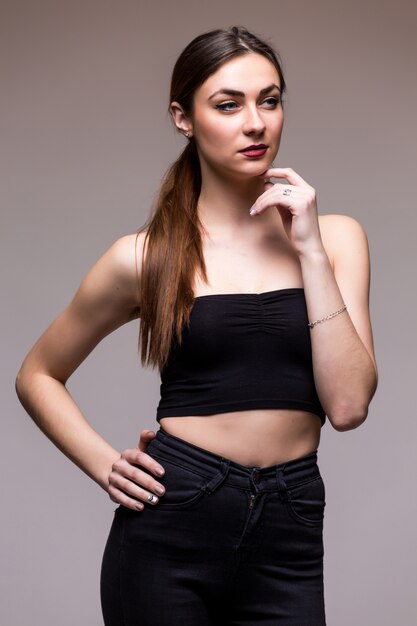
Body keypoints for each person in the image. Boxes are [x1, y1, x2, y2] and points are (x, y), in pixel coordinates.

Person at [15, 25, 378, 626]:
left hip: (290, 523)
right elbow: (38, 374)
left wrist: (309, 249)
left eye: (270, 99)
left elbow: (347, 406)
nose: (256, 122)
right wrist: (105, 463)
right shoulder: (145, 256)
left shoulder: (338, 239)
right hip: (174, 518)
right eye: (228, 104)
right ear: (184, 118)